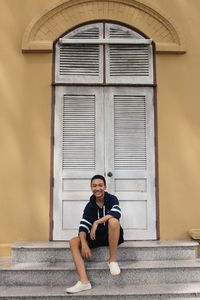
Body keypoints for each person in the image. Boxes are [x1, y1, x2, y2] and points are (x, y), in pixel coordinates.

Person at [66, 174, 124, 294]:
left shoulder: (112, 199)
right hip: (96, 237)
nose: (97, 188)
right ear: (91, 188)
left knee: (113, 221)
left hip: (111, 234)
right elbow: (83, 226)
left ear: (105, 186)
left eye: (100, 185)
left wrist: (97, 222)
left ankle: (112, 261)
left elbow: (116, 213)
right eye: (94, 186)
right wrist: (84, 243)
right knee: (73, 242)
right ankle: (84, 282)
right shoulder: (90, 205)